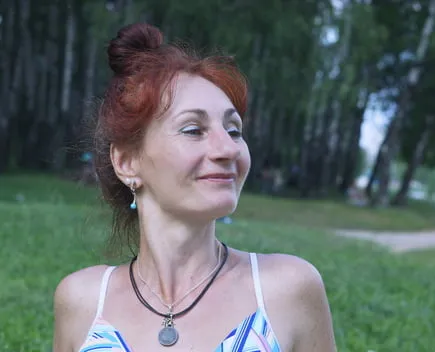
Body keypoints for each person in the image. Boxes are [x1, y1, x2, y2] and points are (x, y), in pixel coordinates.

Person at [53, 23, 336, 352]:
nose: (228, 149)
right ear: (128, 162)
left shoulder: (288, 289)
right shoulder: (81, 300)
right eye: (193, 129)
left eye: (233, 130)